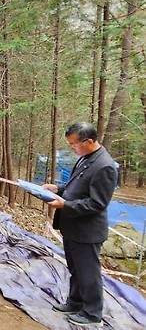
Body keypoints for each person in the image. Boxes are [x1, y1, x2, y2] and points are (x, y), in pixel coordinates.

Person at [43, 122, 117, 327]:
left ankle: (92, 312)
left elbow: (97, 203)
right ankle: (75, 302)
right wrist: (58, 188)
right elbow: (77, 186)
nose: (72, 148)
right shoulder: (86, 158)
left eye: (74, 144)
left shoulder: (105, 166)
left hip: (87, 231)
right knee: (75, 269)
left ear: (89, 141)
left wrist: (65, 204)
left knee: (88, 272)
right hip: (72, 226)